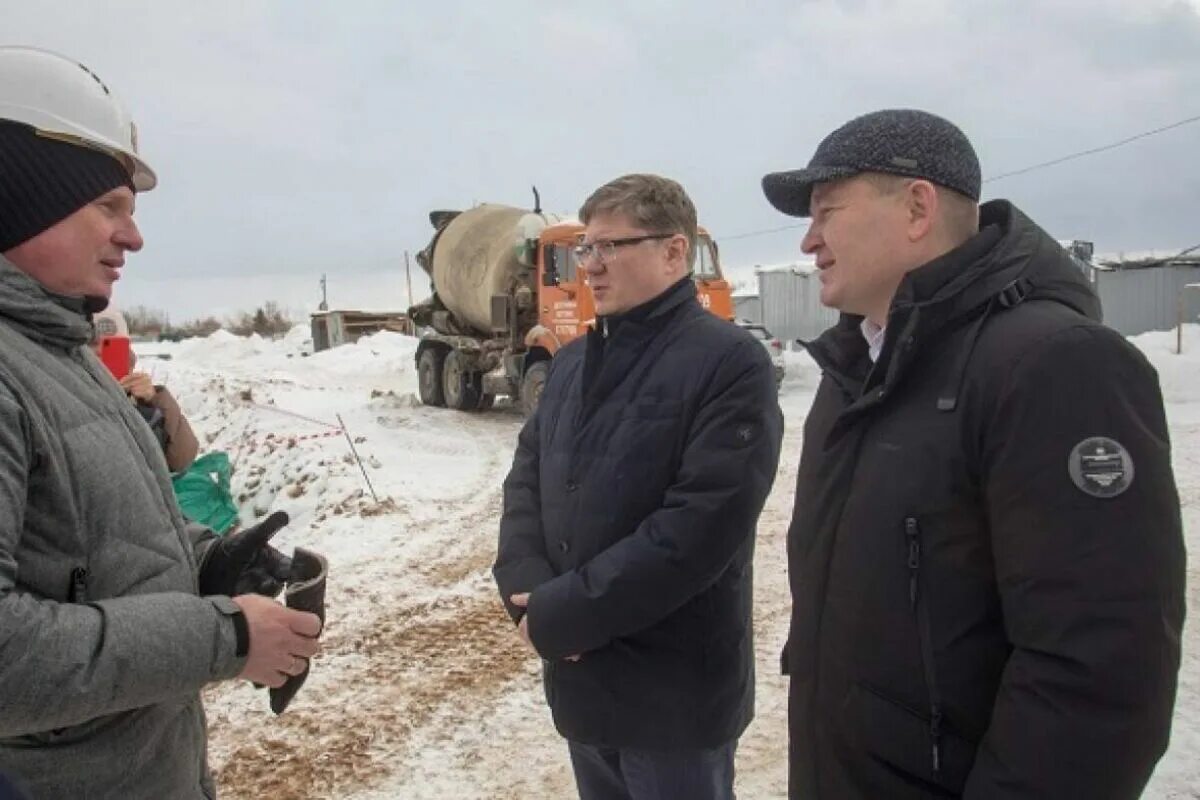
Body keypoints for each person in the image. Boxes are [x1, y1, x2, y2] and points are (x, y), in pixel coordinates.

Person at [761, 109, 1186, 799]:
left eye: (827, 211)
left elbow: (1098, 675)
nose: (810, 242)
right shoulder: (859, 367)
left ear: (918, 208)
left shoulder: (1054, 365)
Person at [0, 46, 321, 798]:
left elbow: (77, 548)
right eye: (108, 207)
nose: (133, 238)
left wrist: (208, 563)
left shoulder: (59, 349)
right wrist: (226, 637)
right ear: (24, 197)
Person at [493, 173, 783, 800]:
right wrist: (526, 585)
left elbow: (700, 528)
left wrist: (566, 614)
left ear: (674, 252)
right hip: (583, 687)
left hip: (672, 697)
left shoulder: (728, 363)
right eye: (584, 250)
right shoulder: (570, 364)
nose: (588, 266)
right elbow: (526, 481)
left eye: (608, 248)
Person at [91, 305, 200, 472]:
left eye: (110, 345)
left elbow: (181, 459)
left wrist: (156, 399)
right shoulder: (67, 393)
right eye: (92, 344)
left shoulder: (140, 397)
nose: (100, 351)